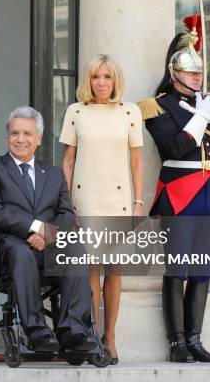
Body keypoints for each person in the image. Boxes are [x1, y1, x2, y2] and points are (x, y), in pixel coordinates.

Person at [139, 15, 210, 363]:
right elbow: (175, 148)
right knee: (178, 268)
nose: (197, 78)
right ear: (174, 74)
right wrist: (200, 117)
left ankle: (195, 339)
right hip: (179, 193)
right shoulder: (158, 107)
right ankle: (177, 342)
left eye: (199, 73)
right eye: (190, 72)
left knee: (201, 270)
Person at [0, 106, 97, 354]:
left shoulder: (53, 174)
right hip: (7, 246)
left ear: (39, 139)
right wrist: (36, 227)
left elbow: (66, 214)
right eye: (15, 133)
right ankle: (37, 332)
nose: (21, 139)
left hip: (49, 248)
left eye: (28, 133)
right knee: (22, 252)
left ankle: (72, 330)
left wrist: (47, 236)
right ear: (7, 136)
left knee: (75, 249)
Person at [59, 54, 144, 365]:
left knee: (114, 269)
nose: (102, 83)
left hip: (119, 201)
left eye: (107, 77)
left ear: (115, 80)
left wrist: (137, 203)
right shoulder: (75, 111)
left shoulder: (130, 112)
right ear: (88, 80)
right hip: (85, 200)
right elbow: (68, 160)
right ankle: (92, 334)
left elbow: (137, 162)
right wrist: (66, 203)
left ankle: (110, 336)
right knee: (90, 270)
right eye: (96, 77)